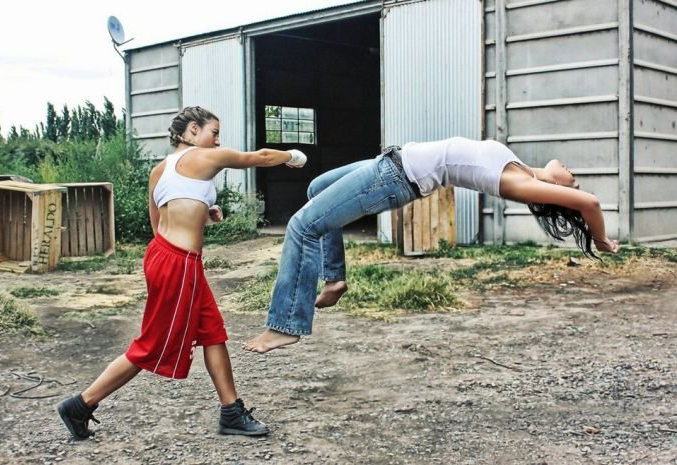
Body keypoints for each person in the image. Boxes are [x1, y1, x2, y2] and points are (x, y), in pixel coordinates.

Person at [56, 106, 307, 440]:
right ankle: (81, 404)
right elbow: (259, 157)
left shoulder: (160, 170)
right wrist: (293, 156)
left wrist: (204, 214)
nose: (217, 141)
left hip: (165, 256)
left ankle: (231, 412)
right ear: (193, 130)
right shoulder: (204, 157)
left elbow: (160, 222)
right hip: (178, 263)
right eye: (214, 133)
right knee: (151, 346)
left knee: (212, 332)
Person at [243, 137, 620, 354]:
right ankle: (334, 278)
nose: (573, 173)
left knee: (302, 226)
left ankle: (286, 324)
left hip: (394, 176)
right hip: (391, 161)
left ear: (557, 190)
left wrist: (601, 240)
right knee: (317, 188)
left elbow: (589, 203)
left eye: (572, 181)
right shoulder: (522, 168)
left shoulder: (519, 184)